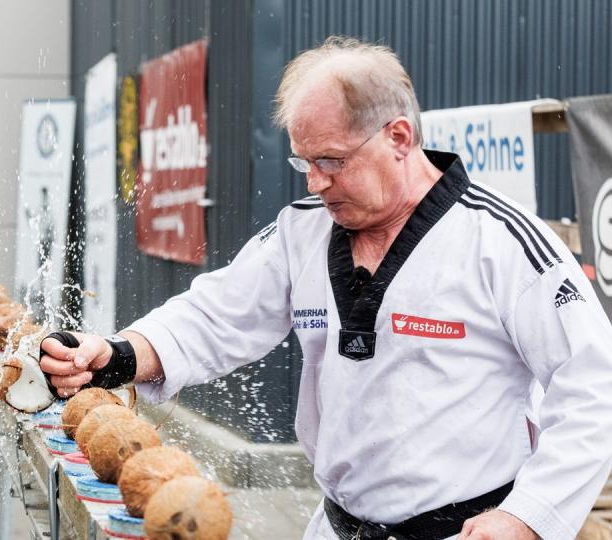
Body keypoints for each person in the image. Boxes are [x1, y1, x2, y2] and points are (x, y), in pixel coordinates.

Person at [40, 36, 612, 540]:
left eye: (332, 161)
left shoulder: (501, 240)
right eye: (304, 162)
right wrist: (115, 356)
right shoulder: (303, 231)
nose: (316, 181)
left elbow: (593, 383)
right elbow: (216, 316)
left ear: (398, 136)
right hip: (338, 525)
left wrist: (530, 517)